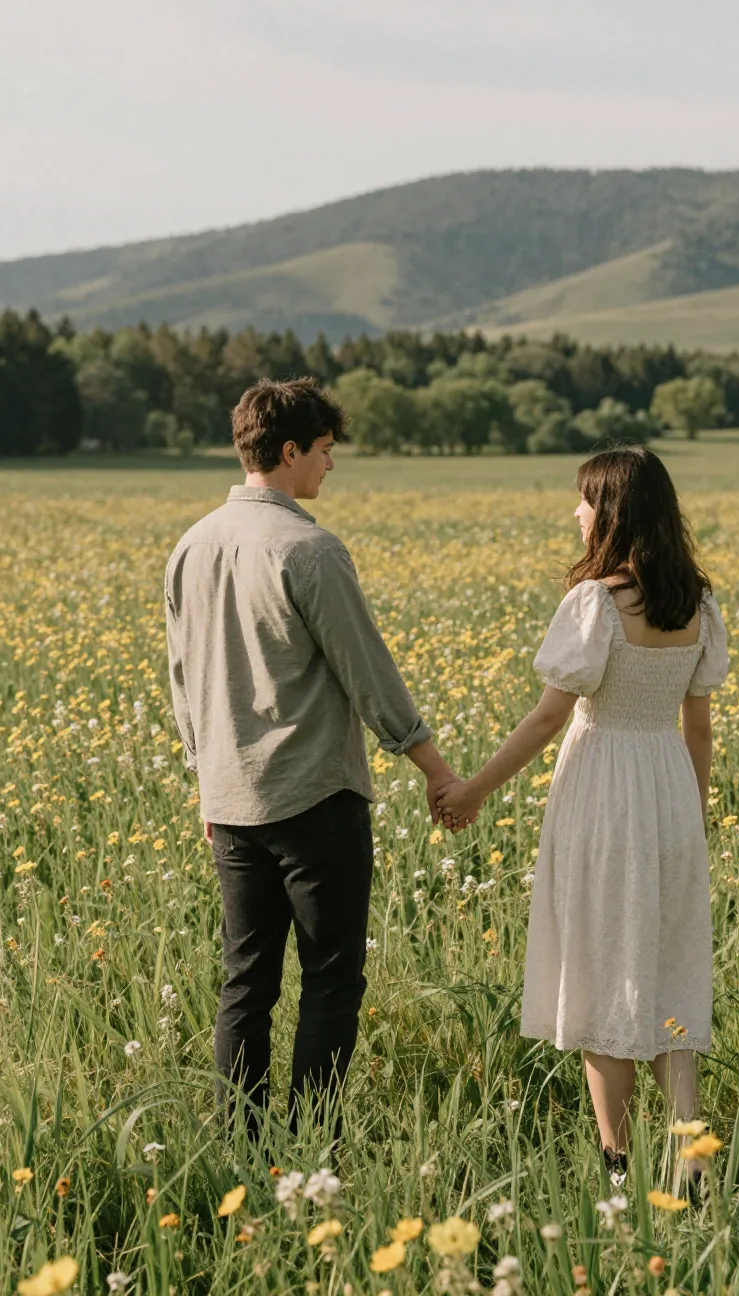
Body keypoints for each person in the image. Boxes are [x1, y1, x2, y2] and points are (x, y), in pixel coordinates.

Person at [164, 377, 461, 1139]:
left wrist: (206, 783)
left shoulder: (191, 546)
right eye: (325, 451)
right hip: (314, 799)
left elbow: (182, 678)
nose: (331, 465)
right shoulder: (311, 550)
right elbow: (370, 675)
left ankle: (242, 1144)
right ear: (290, 451)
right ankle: (314, 1145)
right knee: (332, 981)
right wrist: (435, 769)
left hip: (230, 801)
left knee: (245, 984)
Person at [437, 445, 728, 1178]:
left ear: (612, 512)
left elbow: (545, 721)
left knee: (604, 976)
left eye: (585, 500)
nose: (576, 511)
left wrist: (471, 789)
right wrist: (690, 819)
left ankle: (619, 1168)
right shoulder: (697, 603)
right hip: (668, 792)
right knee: (666, 975)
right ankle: (690, 1164)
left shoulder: (596, 602)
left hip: (604, 792)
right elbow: (700, 731)